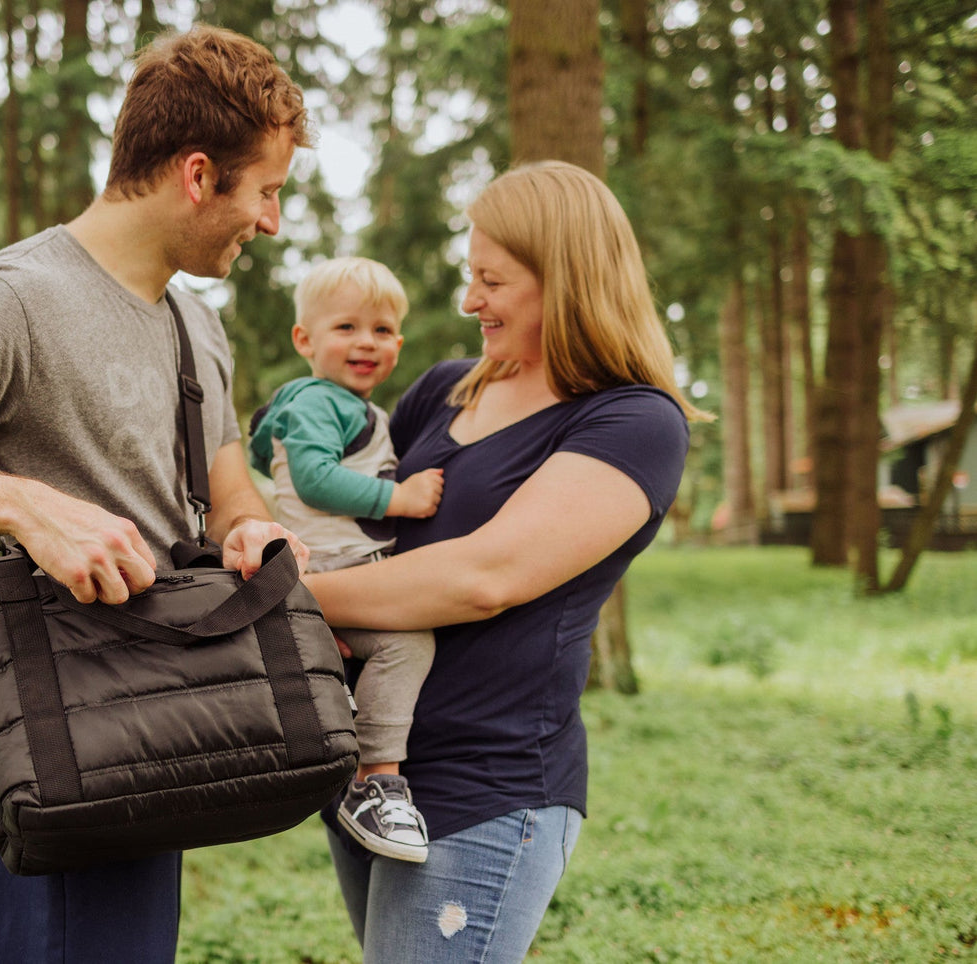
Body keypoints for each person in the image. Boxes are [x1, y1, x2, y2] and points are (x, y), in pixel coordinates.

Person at [0, 25, 312, 964]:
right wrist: (23, 507)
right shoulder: (7, 299)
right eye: (266, 190)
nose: (270, 220)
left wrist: (253, 535)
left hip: (169, 718)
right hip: (64, 729)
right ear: (198, 175)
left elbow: (230, 485)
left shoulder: (197, 321)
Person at [301, 160, 711, 964]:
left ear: (566, 281)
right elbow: (350, 512)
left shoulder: (633, 421)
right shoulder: (444, 390)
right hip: (367, 771)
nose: (467, 302)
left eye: (490, 280)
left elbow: (484, 578)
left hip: (484, 788)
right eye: (469, 275)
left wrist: (291, 598)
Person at [247, 256, 443, 863]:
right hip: (333, 568)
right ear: (304, 339)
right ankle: (376, 779)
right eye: (347, 328)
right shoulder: (315, 400)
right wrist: (400, 499)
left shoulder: (351, 407)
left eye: (382, 331)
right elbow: (312, 480)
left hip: (341, 564)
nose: (367, 342)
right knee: (408, 643)